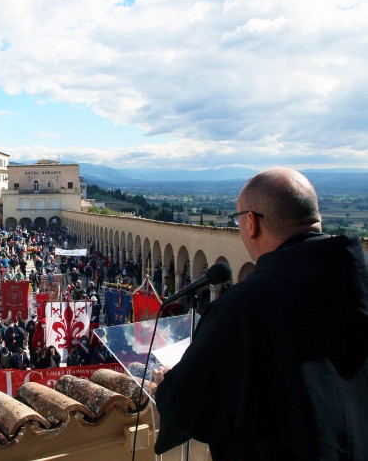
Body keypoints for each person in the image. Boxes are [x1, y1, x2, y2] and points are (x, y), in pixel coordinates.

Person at [154, 168, 368, 460]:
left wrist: (167, 387)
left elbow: (192, 409)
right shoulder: (357, 285)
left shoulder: (242, 308)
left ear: (251, 223)